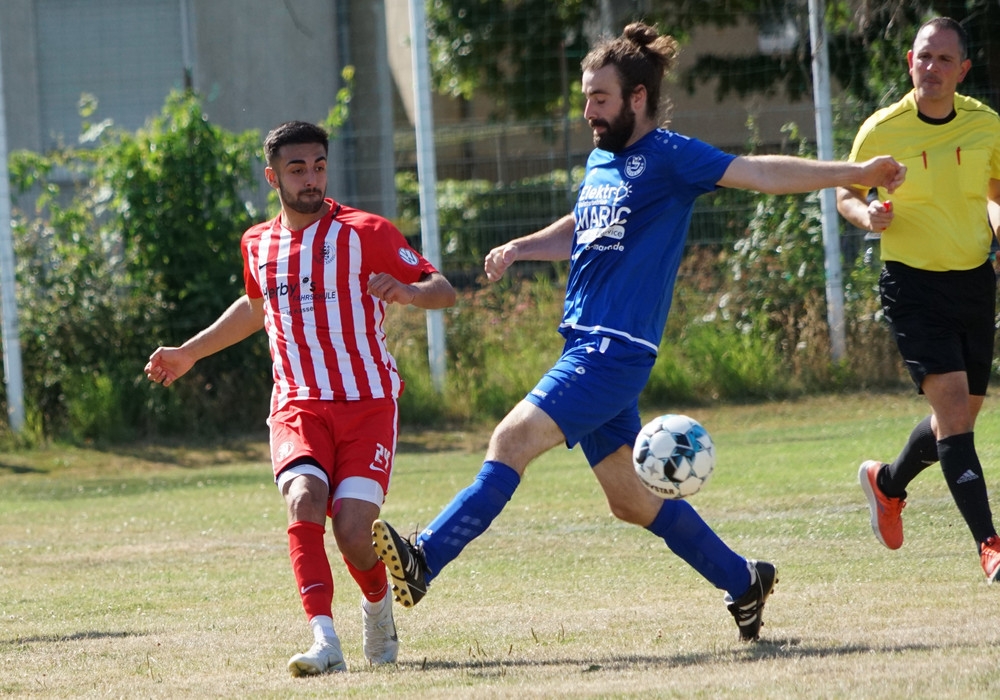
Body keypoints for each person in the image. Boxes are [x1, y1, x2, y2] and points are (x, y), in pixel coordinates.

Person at [372, 21, 906, 643]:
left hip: (613, 350)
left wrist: (853, 170)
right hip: (587, 345)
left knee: (511, 439)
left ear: (638, 97)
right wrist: (522, 246)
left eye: (600, 99)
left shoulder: (672, 156)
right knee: (629, 499)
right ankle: (743, 581)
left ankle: (425, 559)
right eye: (585, 98)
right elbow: (585, 223)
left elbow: (761, 172)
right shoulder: (604, 159)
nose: (588, 112)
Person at [144, 121, 457, 674]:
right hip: (298, 404)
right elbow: (254, 308)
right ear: (273, 178)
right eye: (297, 169)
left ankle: (378, 606)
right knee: (304, 499)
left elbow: (443, 290)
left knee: (354, 531)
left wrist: (408, 292)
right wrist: (190, 352)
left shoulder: (367, 232)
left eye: (318, 166)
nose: (311, 178)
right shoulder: (257, 243)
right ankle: (324, 641)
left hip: (368, 403)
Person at [836, 17, 1000, 583]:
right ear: (910, 61)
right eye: (923, 57)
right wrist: (868, 214)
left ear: (963, 70)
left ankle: (887, 484)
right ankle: (990, 544)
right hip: (912, 286)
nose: (931, 68)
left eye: (944, 59)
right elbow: (847, 193)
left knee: (956, 420)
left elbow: (996, 191)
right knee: (954, 414)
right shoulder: (882, 129)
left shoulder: (986, 125)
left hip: (974, 283)